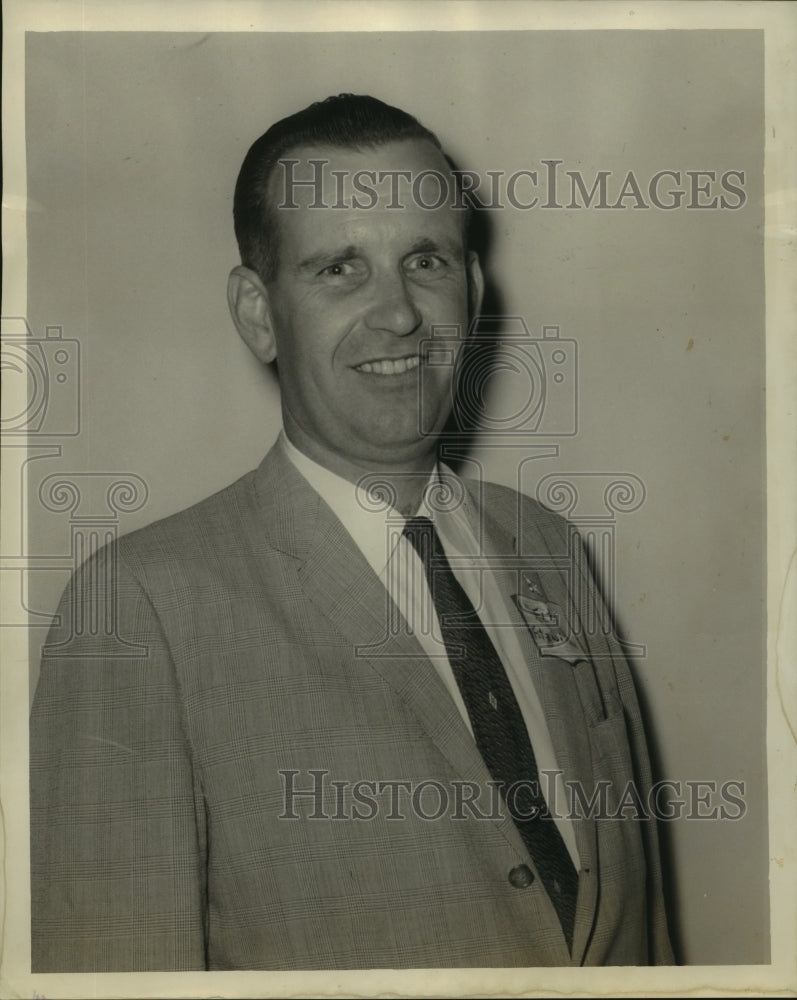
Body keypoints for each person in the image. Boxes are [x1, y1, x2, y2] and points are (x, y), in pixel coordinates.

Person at [30, 94, 673, 971]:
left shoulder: (552, 549)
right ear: (259, 313)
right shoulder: (143, 608)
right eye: (340, 268)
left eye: (425, 259)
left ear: (473, 289)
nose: (400, 313)